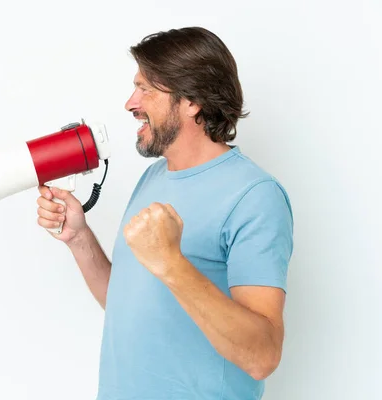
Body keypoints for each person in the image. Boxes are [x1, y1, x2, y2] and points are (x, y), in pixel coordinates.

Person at [36, 26, 294, 400]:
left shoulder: (254, 196)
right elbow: (123, 301)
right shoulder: (154, 177)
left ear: (192, 101)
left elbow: (262, 356)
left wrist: (172, 263)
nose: (130, 103)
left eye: (146, 89)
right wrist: (79, 238)